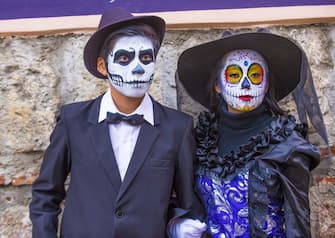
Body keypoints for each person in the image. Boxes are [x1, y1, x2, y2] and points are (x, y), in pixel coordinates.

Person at [29, 8, 207, 238]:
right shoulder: (73, 121)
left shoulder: (178, 128)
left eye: (146, 58)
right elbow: (45, 195)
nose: (137, 67)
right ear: (103, 66)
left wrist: (181, 225)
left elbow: (188, 204)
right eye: (124, 58)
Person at [177, 32, 329, 237]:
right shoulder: (201, 141)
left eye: (255, 75)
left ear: (266, 85)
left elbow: (298, 221)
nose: (246, 85)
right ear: (217, 85)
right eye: (234, 75)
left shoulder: (287, 144)